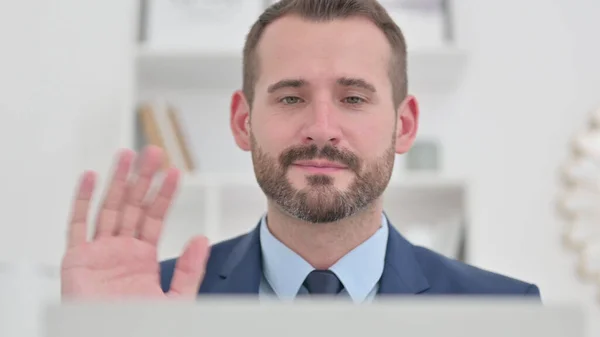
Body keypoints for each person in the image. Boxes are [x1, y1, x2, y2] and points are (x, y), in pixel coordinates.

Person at [61, 0, 541, 302]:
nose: (321, 129)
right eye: (291, 97)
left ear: (405, 124)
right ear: (242, 121)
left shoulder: (501, 310)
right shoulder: (148, 303)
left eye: (353, 98)